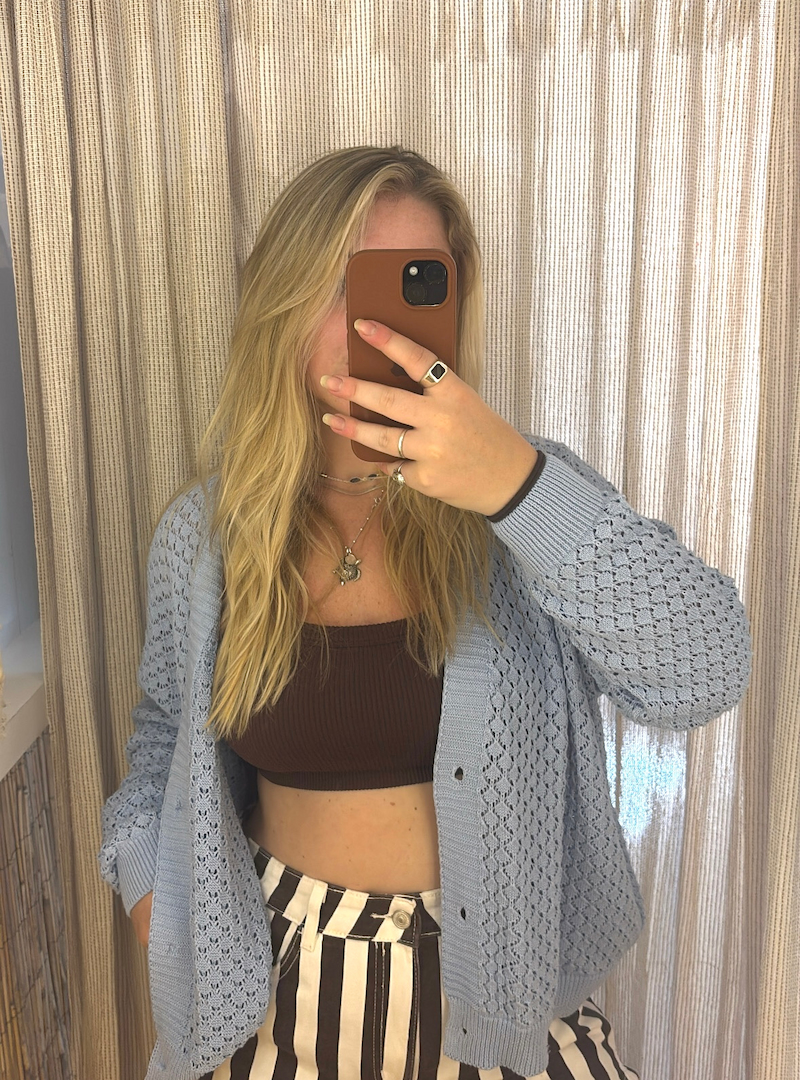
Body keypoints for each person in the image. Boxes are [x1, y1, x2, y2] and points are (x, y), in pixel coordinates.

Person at [98, 146, 751, 1080]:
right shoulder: (209, 537)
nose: (376, 327)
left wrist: (516, 489)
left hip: (506, 993)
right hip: (274, 987)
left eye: (413, 285)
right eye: (342, 285)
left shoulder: (528, 500)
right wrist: (151, 895)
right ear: (280, 303)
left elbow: (707, 671)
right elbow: (163, 735)